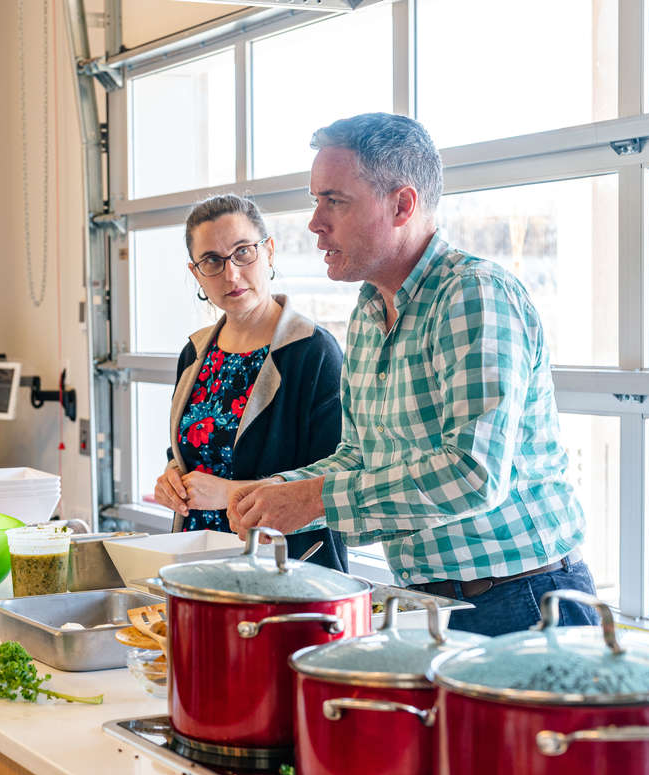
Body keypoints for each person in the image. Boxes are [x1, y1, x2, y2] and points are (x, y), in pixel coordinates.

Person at [228, 113, 600, 635]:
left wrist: (311, 500)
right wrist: (271, 492)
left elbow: (472, 474)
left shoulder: (473, 296)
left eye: (334, 200)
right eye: (316, 200)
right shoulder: (367, 311)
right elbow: (360, 457)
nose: (315, 222)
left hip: (524, 602)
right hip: (430, 603)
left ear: (402, 204)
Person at [153, 194, 348, 571]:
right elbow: (193, 450)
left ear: (269, 252)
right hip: (198, 562)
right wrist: (171, 478)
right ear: (196, 273)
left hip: (286, 568)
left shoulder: (314, 351)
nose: (231, 274)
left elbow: (334, 481)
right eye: (212, 261)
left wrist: (229, 494)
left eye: (243, 252)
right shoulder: (194, 353)